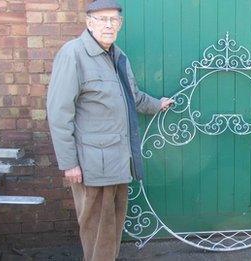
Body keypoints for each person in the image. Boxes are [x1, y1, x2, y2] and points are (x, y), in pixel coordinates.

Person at [46, 0, 174, 260]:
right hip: (93, 165)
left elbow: (133, 98)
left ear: (120, 24)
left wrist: (159, 104)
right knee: (97, 230)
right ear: (89, 23)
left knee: (113, 227)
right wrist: (69, 163)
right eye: (102, 19)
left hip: (119, 161)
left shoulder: (118, 56)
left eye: (114, 19)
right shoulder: (73, 54)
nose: (108, 24)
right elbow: (59, 113)